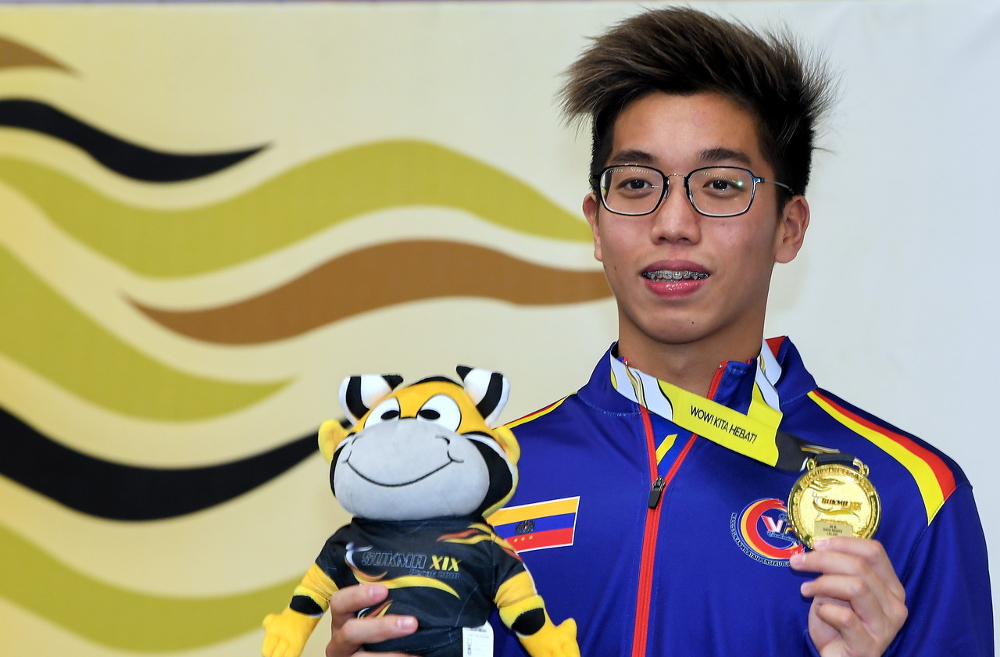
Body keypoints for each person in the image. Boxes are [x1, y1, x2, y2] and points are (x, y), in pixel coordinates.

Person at [323, 6, 993, 657]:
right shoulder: (480, 485)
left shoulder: (912, 494)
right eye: (639, 183)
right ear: (596, 223)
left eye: (723, 185)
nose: (674, 222)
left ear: (789, 227)